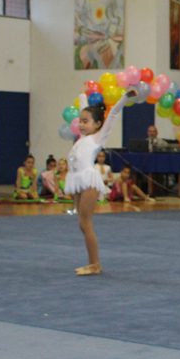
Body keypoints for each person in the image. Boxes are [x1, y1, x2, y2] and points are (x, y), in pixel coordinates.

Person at [67, 90, 134, 274]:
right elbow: (84, 108)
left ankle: (95, 264)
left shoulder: (98, 138)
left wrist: (125, 98)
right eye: (80, 121)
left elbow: (113, 114)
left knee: (86, 222)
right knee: (82, 223)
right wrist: (82, 95)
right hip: (77, 179)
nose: (81, 124)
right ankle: (92, 262)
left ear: (97, 124)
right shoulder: (83, 138)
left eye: (85, 121)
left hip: (88, 180)